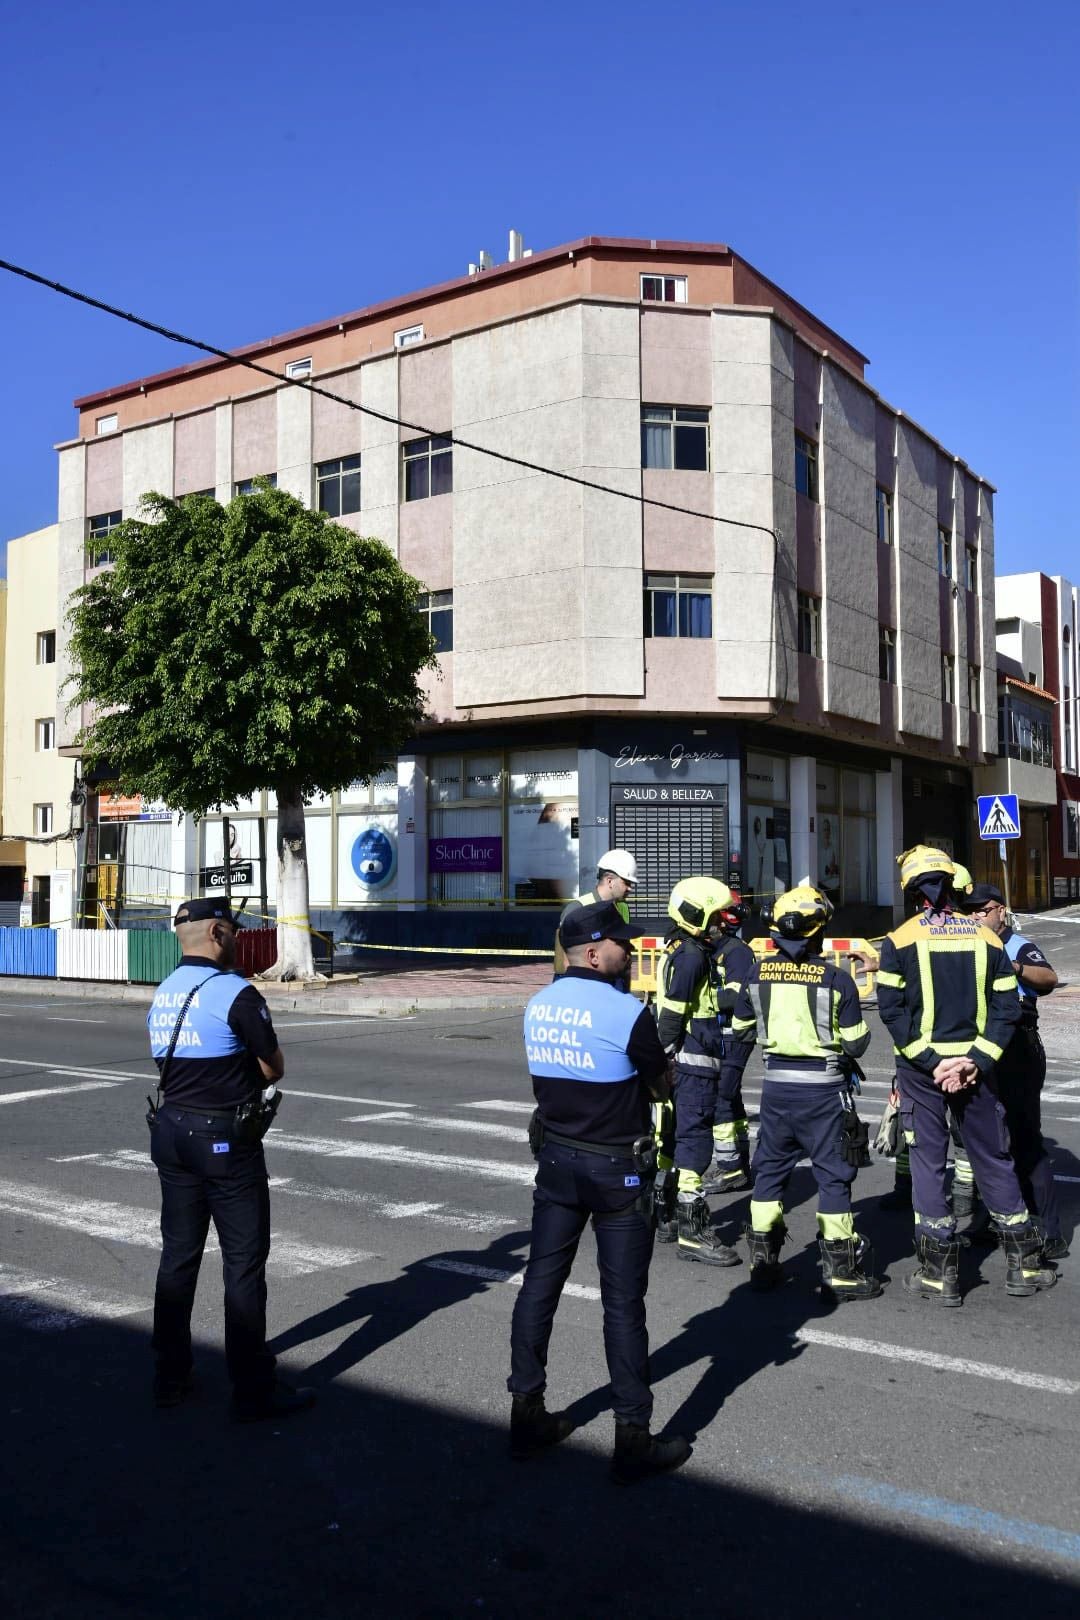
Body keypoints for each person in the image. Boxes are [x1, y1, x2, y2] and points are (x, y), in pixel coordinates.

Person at [510, 900, 691, 1485]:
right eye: (621, 943)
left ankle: (526, 1411)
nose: (631, 950)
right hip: (618, 1173)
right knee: (622, 1304)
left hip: (557, 1163)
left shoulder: (538, 1006)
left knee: (540, 1285)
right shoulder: (626, 1012)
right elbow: (660, 1085)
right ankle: (632, 1436)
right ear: (593, 951)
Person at [146, 898, 315, 1420]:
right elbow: (273, 1067)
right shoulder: (236, 993)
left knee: (178, 1256)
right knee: (243, 1263)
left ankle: (171, 1376)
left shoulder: (164, 992)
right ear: (218, 932)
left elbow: (165, 1061)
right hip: (224, 1142)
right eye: (234, 931)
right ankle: (251, 1388)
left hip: (171, 1132)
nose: (239, 939)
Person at [876, 848, 1057, 1306]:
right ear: (957, 888)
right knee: (994, 1159)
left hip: (922, 1071)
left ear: (911, 891)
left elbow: (893, 1014)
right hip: (977, 1068)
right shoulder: (987, 939)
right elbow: (1007, 1009)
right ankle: (1024, 1265)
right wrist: (977, 1060)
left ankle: (938, 1274)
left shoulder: (898, 941)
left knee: (928, 1163)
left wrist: (933, 1062)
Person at [728, 885, 881, 1299]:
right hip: (824, 1092)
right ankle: (841, 1271)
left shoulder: (755, 974)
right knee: (832, 1175)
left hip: (777, 1089)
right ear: (818, 933)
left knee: (770, 1173)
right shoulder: (836, 980)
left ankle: (763, 1263)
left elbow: (741, 1030)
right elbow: (856, 1044)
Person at [954, 883, 1066, 1258]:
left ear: (1001, 911)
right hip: (984, 1047)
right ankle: (995, 1220)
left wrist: (1012, 965)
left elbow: (1048, 979)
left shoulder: (1016, 944)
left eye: (982, 910)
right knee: (988, 1142)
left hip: (1018, 1049)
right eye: (969, 911)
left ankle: (1048, 1231)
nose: (975, 917)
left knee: (1024, 1139)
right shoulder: (969, 944)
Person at [655, 877, 741, 1266]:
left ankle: (665, 1215)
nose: (721, 925)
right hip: (693, 1061)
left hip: (686, 1059)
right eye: (715, 918)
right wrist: (667, 1056)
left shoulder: (682, 947)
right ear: (695, 914)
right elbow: (674, 1012)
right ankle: (693, 1231)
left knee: (674, 1139)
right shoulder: (691, 955)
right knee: (695, 1142)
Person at [879, 859, 973, 1213]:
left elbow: (895, 1005)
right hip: (963, 1056)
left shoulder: (908, 936)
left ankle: (911, 1189)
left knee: (915, 1126)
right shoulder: (974, 938)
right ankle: (964, 1194)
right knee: (962, 1127)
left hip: (915, 1054)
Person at [701, 893, 755, 1195]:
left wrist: (698, 1000)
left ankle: (729, 1168)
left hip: (735, 1035)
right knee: (730, 1096)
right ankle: (739, 1162)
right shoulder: (716, 949)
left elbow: (735, 997)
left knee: (722, 1096)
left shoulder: (737, 953)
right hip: (722, 1035)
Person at [552, 849, 637, 978]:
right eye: (626, 882)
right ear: (609, 881)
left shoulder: (623, 908)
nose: (630, 888)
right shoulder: (577, 908)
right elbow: (564, 961)